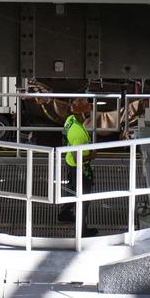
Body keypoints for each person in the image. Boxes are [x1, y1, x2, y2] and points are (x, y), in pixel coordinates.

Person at [57, 97, 97, 233]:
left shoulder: (70, 120)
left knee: (72, 188)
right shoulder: (78, 132)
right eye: (88, 110)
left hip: (69, 162)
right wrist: (92, 155)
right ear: (82, 113)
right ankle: (82, 230)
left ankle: (65, 214)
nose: (90, 113)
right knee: (84, 197)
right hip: (79, 167)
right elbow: (76, 158)